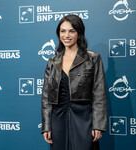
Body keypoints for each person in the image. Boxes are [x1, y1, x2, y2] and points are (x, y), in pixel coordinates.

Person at [41, 14, 107, 150]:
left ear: (79, 33)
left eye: (72, 31)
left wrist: (98, 125)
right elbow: (46, 97)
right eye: (62, 31)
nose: (66, 35)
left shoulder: (93, 58)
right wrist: (47, 125)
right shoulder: (52, 62)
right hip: (58, 118)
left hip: (84, 117)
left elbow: (99, 94)